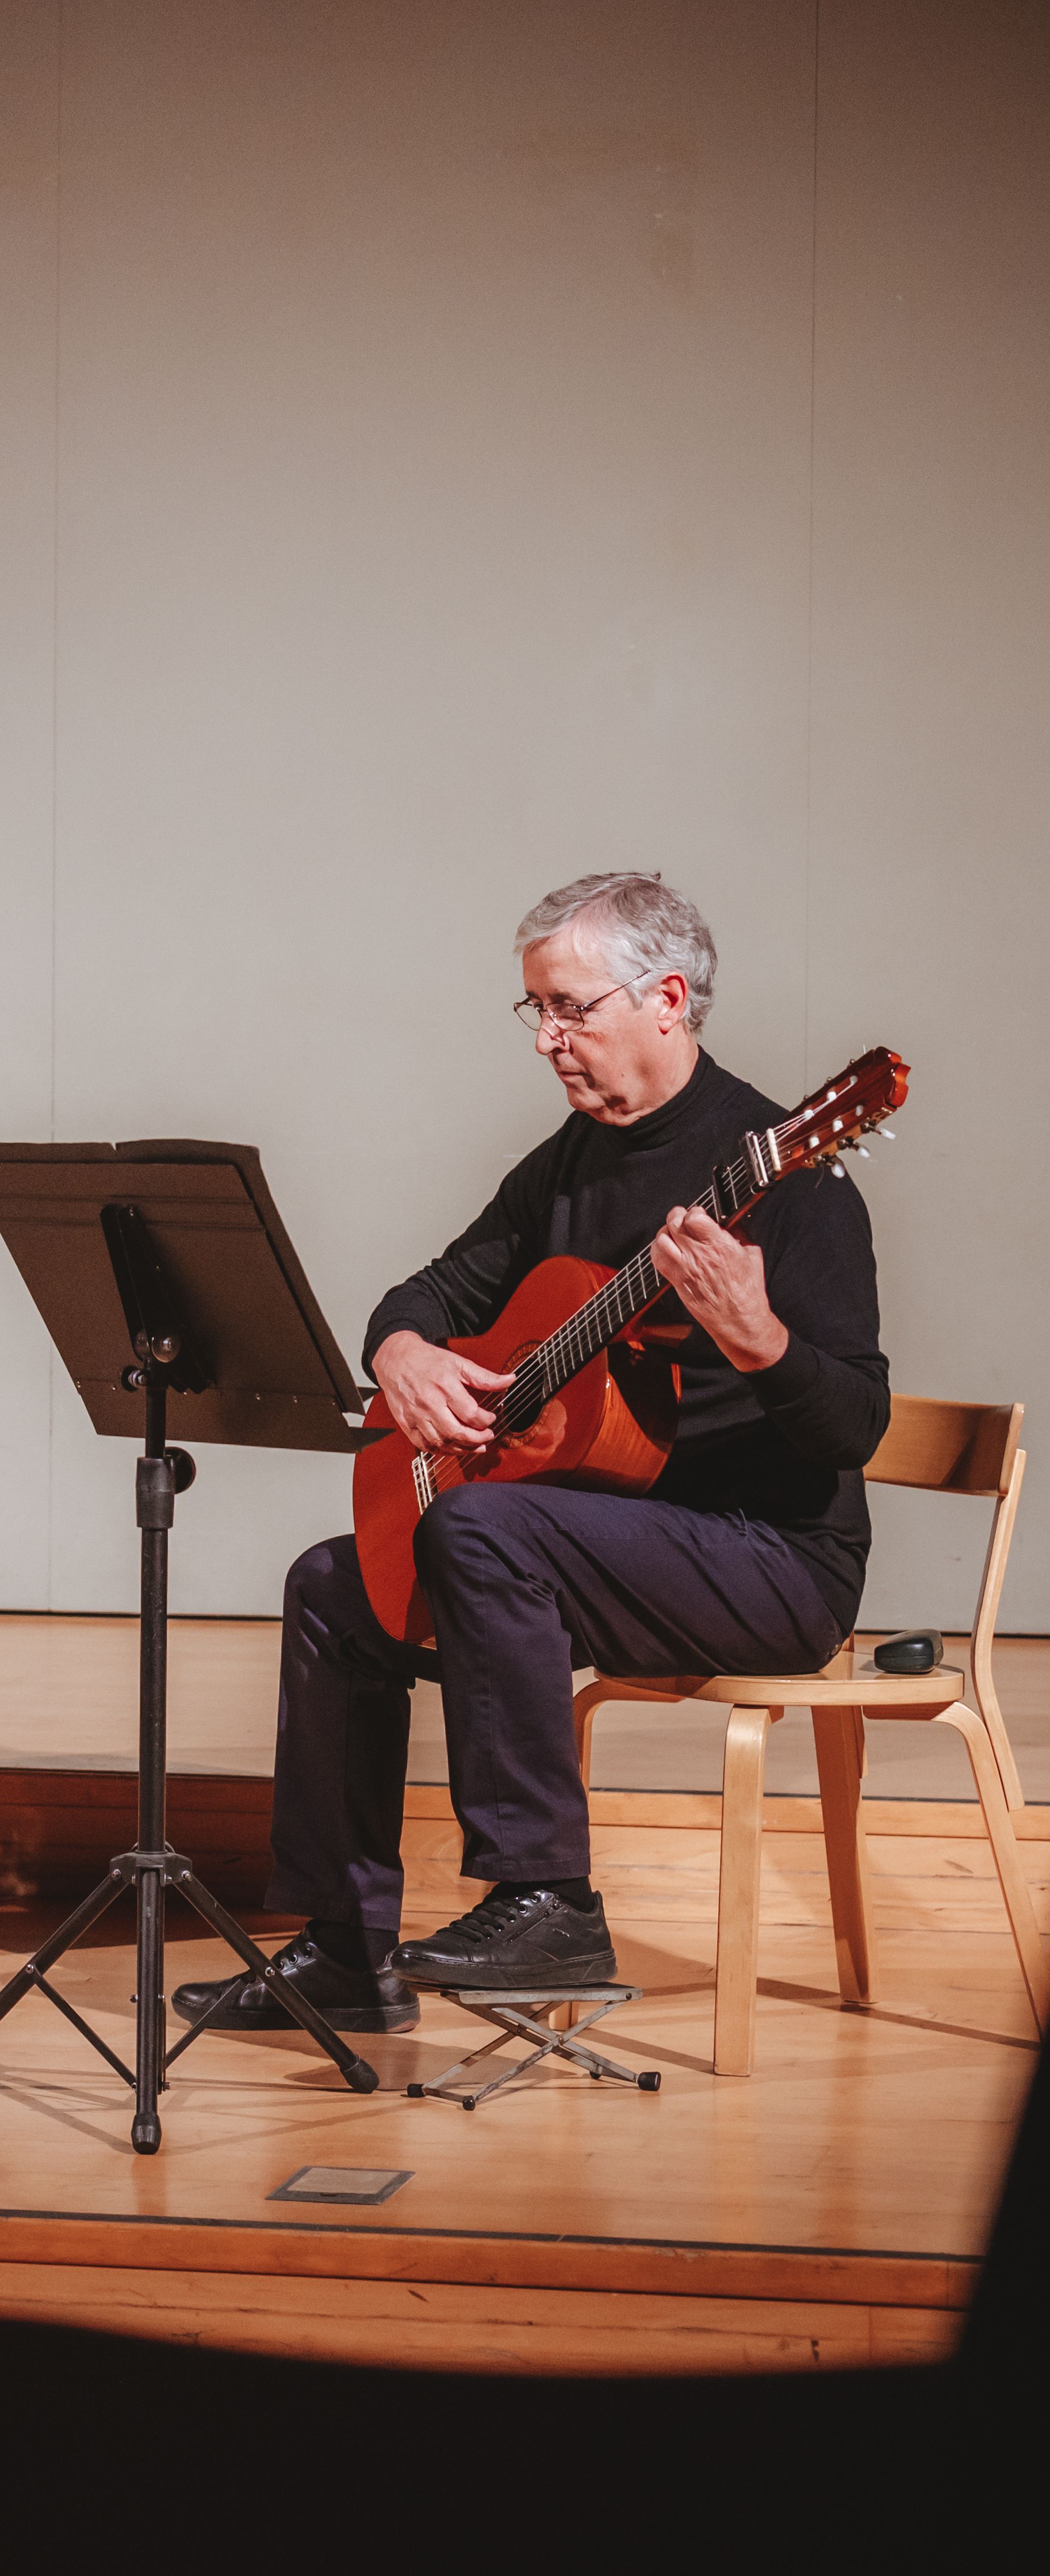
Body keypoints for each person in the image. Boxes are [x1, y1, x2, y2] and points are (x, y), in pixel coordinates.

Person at [175, 868, 888, 2033]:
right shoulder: (565, 1163)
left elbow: (850, 1425)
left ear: (665, 998)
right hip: (598, 1536)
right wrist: (399, 1348)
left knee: (477, 1524)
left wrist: (758, 1338)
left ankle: (546, 1897)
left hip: (769, 1557)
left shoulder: (791, 1178)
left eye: (570, 1008)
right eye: (536, 1012)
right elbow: (433, 1286)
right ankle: (344, 1949)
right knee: (329, 1583)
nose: (548, 1039)